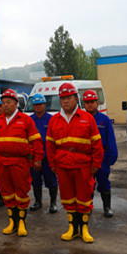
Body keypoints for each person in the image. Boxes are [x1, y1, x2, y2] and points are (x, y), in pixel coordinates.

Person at [46, 83, 104, 244]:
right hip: (63, 166)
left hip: (83, 166)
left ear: (76, 98)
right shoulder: (54, 120)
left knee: (84, 199)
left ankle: (84, 229)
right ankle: (72, 229)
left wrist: (95, 164)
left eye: (69, 97)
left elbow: (97, 144)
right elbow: (49, 145)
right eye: (63, 98)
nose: (65, 101)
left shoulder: (87, 118)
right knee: (68, 199)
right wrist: (52, 164)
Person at [0, 89, 44, 236]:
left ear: (15, 103)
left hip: (20, 163)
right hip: (2, 163)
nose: (5, 105)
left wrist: (37, 159)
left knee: (21, 193)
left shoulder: (26, 120)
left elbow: (36, 140)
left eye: (8, 102)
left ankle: (21, 223)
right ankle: (12, 222)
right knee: (7, 194)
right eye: (3, 103)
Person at [82, 90, 118, 217]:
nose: (90, 104)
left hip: (102, 157)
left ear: (97, 103)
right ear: (84, 104)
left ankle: (107, 207)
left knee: (103, 182)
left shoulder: (105, 120)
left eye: (92, 102)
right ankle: (88, 207)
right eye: (87, 102)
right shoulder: (80, 119)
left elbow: (111, 139)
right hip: (86, 157)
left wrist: (111, 157)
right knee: (87, 184)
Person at [29, 93, 59, 213]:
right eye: (36, 105)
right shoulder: (29, 120)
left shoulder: (52, 119)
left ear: (45, 105)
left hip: (48, 156)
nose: (38, 107)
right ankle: (38, 202)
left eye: (40, 104)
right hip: (34, 156)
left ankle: (53, 203)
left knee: (51, 180)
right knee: (35, 180)